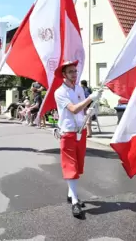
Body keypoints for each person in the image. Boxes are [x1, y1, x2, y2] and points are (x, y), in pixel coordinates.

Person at [53, 60, 102, 218]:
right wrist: (89, 99)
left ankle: (70, 194)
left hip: (81, 131)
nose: (74, 74)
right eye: (71, 71)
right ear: (64, 75)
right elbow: (73, 109)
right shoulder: (60, 92)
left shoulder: (79, 88)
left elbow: (82, 108)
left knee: (78, 165)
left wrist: (93, 105)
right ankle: (75, 201)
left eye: (75, 71)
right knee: (70, 166)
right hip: (68, 132)